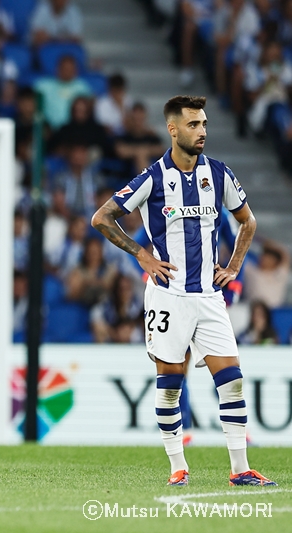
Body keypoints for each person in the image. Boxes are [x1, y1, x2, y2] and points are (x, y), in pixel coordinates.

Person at [91, 95, 275, 486]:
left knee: (233, 379)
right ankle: (178, 468)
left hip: (208, 296)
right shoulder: (153, 177)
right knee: (171, 384)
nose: (203, 131)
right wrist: (141, 254)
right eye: (193, 124)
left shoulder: (220, 174)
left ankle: (240, 470)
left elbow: (248, 222)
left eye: (205, 123)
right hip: (168, 295)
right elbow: (102, 217)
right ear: (173, 130)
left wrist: (235, 266)